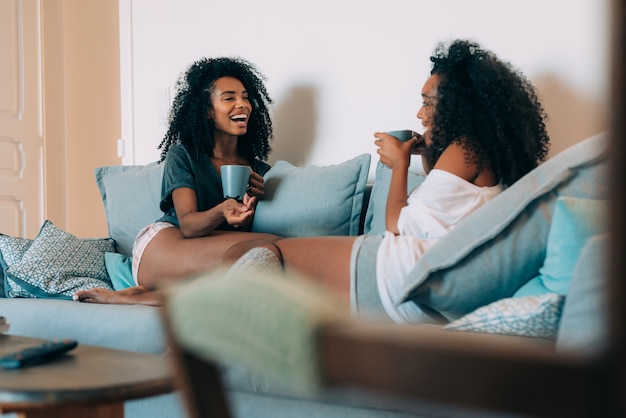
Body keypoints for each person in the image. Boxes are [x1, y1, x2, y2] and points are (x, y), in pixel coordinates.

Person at [223, 39, 551, 323]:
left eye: (427, 102)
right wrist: (427, 152)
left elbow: (399, 224)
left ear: (456, 107)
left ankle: (222, 330)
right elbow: (438, 213)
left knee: (267, 252)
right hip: (411, 280)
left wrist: (399, 164)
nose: (421, 114)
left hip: (394, 275)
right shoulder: (482, 152)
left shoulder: (464, 147)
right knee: (270, 264)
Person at [73, 57, 282, 305]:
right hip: (166, 245)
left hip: (203, 253)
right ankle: (139, 298)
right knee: (271, 246)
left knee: (267, 254)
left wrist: (250, 207)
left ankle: (142, 297)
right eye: (229, 98)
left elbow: (232, 236)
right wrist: (223, 210)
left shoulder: (258, 172)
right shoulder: (184, 155)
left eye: (246, 97)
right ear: (206, 110)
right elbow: (190, 225)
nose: (242, 105)